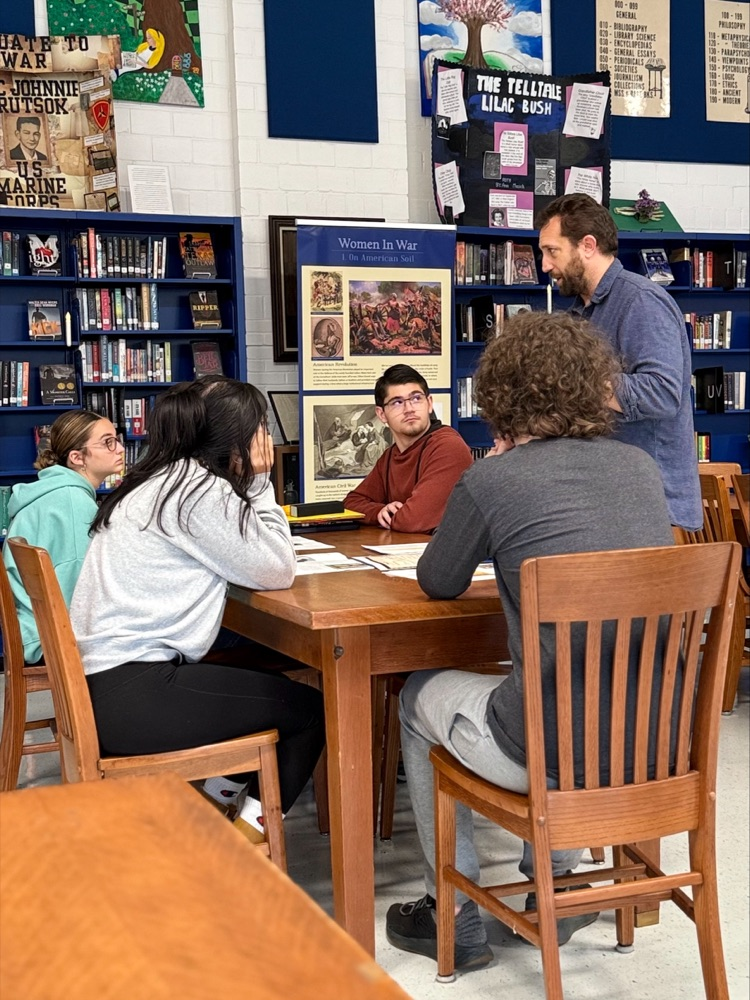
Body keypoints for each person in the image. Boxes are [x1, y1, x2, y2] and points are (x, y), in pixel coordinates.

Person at [385, 311, 676, 971]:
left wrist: (494, 471)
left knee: (416, 693)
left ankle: (450, 913)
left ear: (503, 395)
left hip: (544, 755)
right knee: (573, 686)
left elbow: (438, 579)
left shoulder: (495, 479)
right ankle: (564, 891)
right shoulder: (640, 470)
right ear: (596, 386)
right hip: (653, 745)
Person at [69, 377, 325, 841]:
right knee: (308, 711)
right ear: (238, 439)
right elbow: (278, 569)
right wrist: (262, 482)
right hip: (133, 695)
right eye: (259, 429)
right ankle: (240, 852)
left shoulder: (156, 479)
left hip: (100, 687)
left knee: (271, 690)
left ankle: (212, 811)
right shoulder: (198, 490)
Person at [535, 192, 702, 531]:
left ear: (587, 245)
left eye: (552, 251)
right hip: (610, 503)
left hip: (654, 514)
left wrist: (577, 379)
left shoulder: (640, 301)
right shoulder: (581, 311)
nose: (545, 265)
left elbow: (664, 393)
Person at [3, 410, 125, 665]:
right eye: (108, 442)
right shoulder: (72, 502)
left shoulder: (50, 494)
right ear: (77, 457)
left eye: (117, 439)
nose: (120, 449)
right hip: (52, 637)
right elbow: (78, 594)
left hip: (33, 629)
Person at [343, 364, 472, 533]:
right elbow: (351, 503)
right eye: (397, 402)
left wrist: (392, 515)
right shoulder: (391, 455)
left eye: (416, 398)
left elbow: (413, 520)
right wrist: (380, 512)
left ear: (429, 403)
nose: (409, 408)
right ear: (382, 414)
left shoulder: (448, 447)